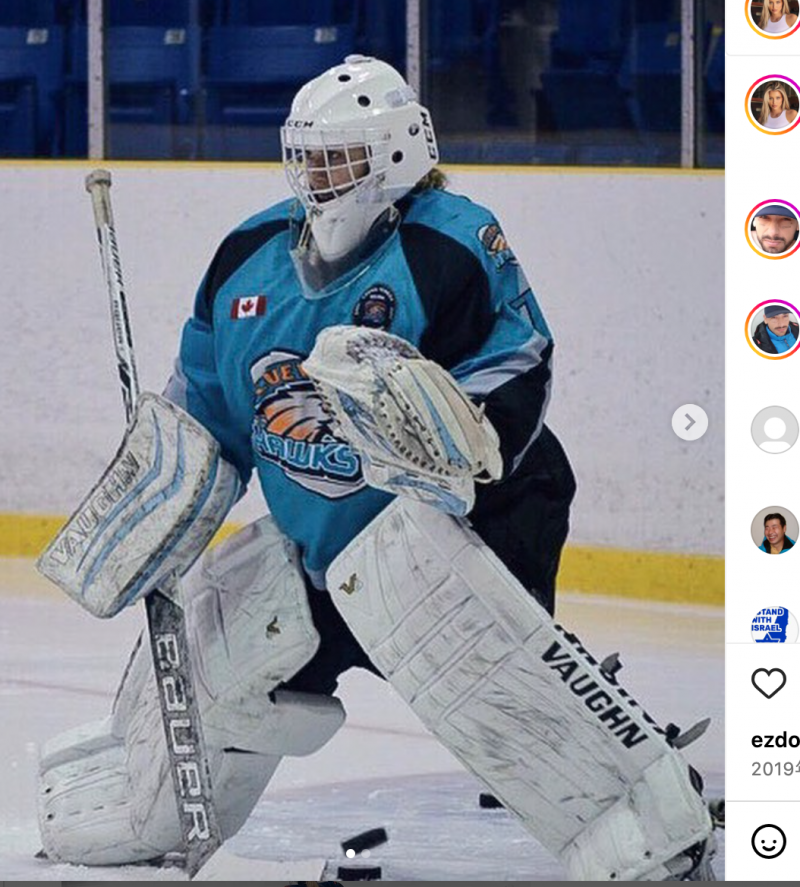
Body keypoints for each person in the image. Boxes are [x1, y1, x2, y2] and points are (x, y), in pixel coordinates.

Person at [36, 56, 716, 881]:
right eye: (306, 157)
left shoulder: (450, 244)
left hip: (471, 520)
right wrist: (161, 497)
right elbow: (206, 407)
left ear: (397, 153)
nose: (315, 177)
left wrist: (456, 438)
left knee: (494, 682)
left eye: (338, 158)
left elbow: (520, 358)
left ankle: (646, 819)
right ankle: (136, 796)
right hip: (320, 542)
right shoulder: (247, 257)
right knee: (226, 647)